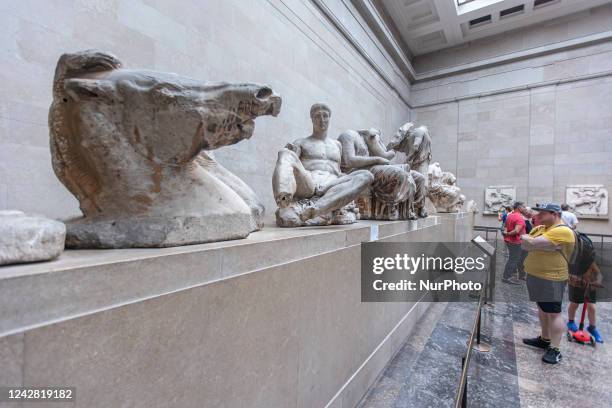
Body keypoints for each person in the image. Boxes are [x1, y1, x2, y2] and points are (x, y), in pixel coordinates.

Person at [521, 203, 575, 364]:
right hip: (534, 275)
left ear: (554, 214)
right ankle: (545, 339)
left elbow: (531, 243)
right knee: (542, 308)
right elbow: (524, 245)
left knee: (553, 313)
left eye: (543, 213)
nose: (538, 216)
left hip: (552, 278)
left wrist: (533, 243)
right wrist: (544, 246)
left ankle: (555, 348)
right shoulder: (540, 229)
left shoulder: (563, 231)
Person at [567, 261, 604, 343]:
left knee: (592, 308)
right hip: (576, 285)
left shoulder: (591, 262)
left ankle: (592, 327)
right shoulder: (574, 260)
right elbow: (568, 272)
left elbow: (599, 274)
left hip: (590, 286)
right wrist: (572, 278)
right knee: (574, 304)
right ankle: (571, 322)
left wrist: (598, 281)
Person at [501, 202, 526, 284]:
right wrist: (508, 234)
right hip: (515, 242)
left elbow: (505, 227)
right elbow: (516, 230)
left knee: (513, 259)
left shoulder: (510, 215)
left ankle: (515, 275)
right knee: (513, 260)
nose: (524, 208)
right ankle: (506, 277)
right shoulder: (519, 217)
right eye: (523, 206)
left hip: (510, 241)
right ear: (519, 207)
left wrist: (506, 234)